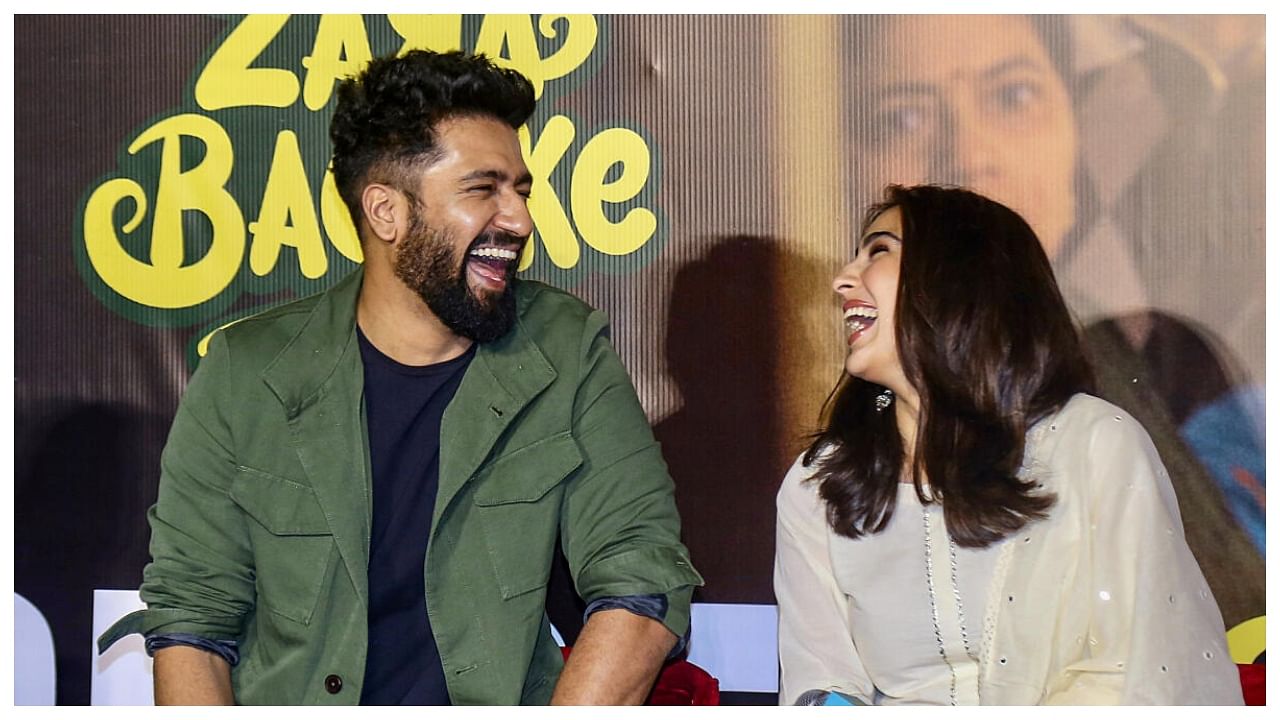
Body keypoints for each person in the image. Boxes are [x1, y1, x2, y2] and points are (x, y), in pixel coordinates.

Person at [97, 49, 703, 705]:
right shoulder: (247, 374)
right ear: (386, 211)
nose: (520, 219)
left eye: (521, 190)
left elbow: (640, 575)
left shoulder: (566, 349)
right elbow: (194, 620)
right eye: (483, 189)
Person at [839, 14, 1264, 633]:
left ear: (1073, 131)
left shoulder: (1172, 364)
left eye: (1014, 96)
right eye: (903, 117)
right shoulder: (842, 403)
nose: (969, 155)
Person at [774, 184, 1241, 705]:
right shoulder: (819, 482)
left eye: (878, 251)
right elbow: (820, 678)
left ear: (956, 278)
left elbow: (1132, 673)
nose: (842, 279)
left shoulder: (1091, 445)